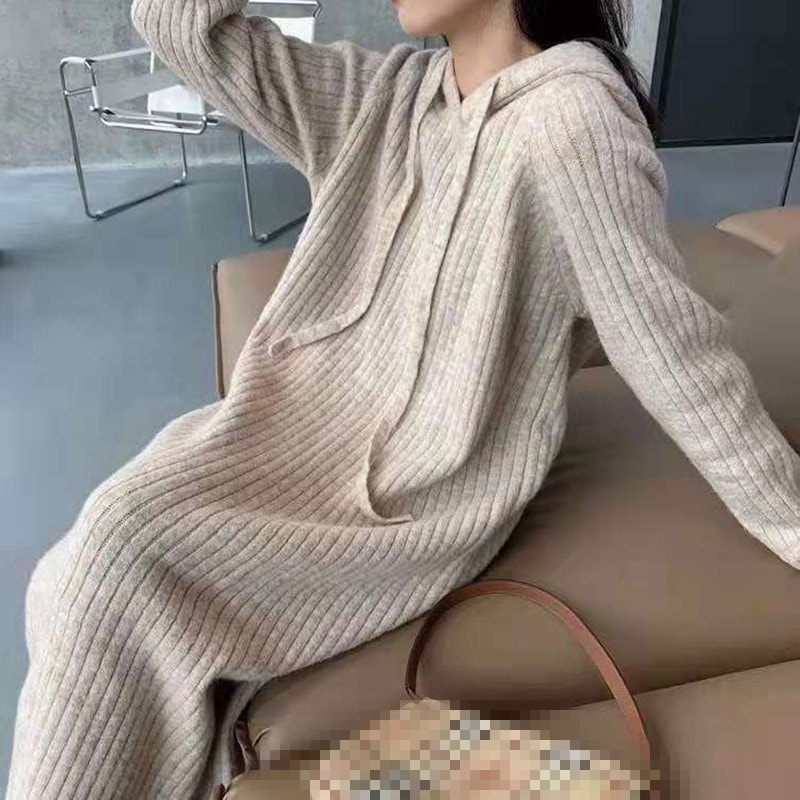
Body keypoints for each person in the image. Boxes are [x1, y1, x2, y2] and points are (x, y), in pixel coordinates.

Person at [7, 1, 800, 798]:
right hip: (286, 433)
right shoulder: (385, 94)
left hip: (409, 496)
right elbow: (180, 27)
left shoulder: (574, 122)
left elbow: (674, 353)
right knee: (78, 576)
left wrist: (789, 521)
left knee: (113, 566)